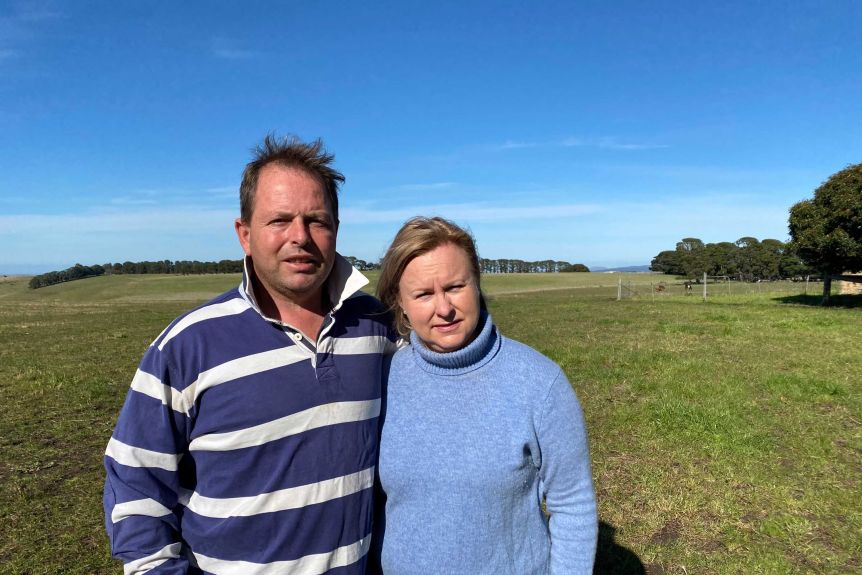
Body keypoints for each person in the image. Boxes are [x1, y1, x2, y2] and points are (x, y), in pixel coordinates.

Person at [103, 135, 398, 574]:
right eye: (279, 220)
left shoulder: (378, 327)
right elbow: (135, 481)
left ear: (336, 230)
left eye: (317, 220)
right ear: (244, 234)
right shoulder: (188, 345)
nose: (300, 237)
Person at [373, 217, 598, 574]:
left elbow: (573, 505)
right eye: (423, 294)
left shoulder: (540, 383)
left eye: (455, 286)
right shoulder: (382, 380)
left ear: (477, 283)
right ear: (400, 302)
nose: (443, 308)